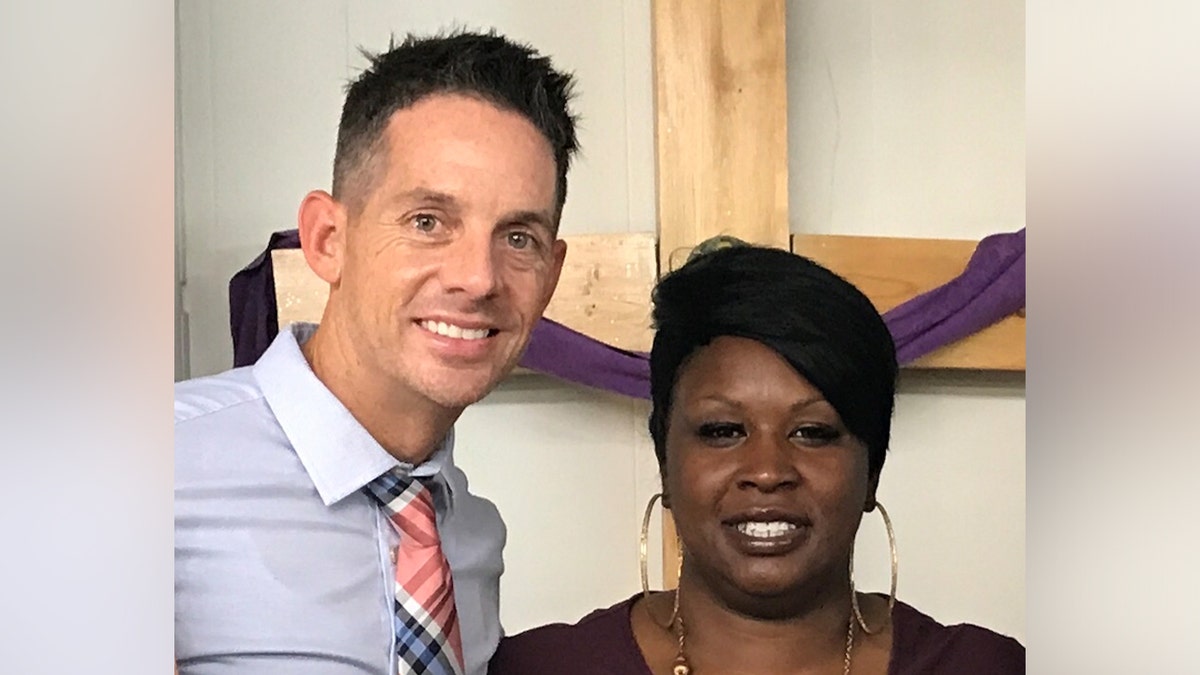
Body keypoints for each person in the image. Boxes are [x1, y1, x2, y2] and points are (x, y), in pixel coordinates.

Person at [175, 30, 579, 674]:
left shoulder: (472, 538)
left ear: (551, 274)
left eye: (519, 237)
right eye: (428, 221)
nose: (478, 278)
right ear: (328, 238)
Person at [489, 242, 1025, 674]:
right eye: (723, 430)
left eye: (813, 432)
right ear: (665, 461)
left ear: (873, 470)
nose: (768, 471)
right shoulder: (541, 667)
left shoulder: (987, 667)